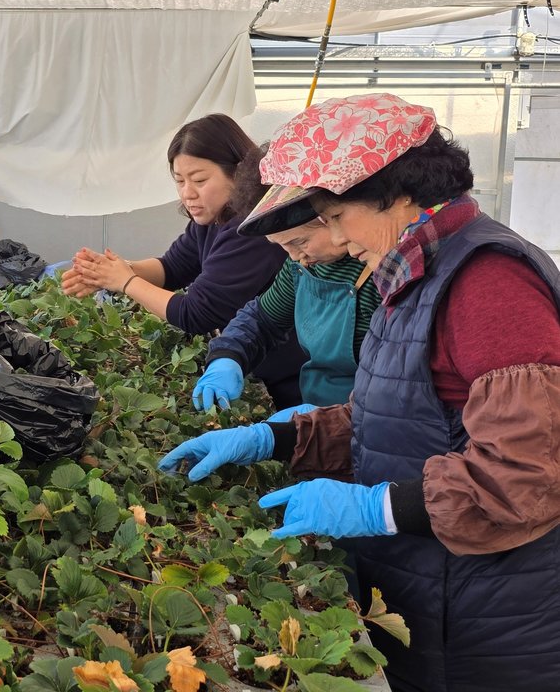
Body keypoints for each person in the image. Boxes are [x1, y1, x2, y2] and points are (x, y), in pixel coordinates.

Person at [159, 93, 560, 691]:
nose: (334, 240)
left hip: (488, 616)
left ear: (395, 191)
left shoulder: (487, 284)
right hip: (435, 594)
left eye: (334, 217)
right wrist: (274, 437)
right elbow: (399, 412)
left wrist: (374, 508)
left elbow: (524, 475)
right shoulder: (416, 271)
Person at [62, 114, 307, 409]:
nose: (187, 193)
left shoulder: (250, 230)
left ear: (238, 172)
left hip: (292, 378)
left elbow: (197, 313)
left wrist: (125, 282)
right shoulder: (210, 219)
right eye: (179, 181)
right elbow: (172, 268)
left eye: (200, 180)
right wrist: (111, 270)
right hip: (254, 363)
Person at [192, 145, 382, 415]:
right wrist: (228, 356)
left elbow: (399, 390)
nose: (295, 256)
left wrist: (332, 420)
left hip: (364, 424)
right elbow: (262, 319)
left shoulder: (380, 271)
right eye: (282, 246)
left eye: (299, 241)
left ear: (329, 216)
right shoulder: (302, 267)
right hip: (319, 421)